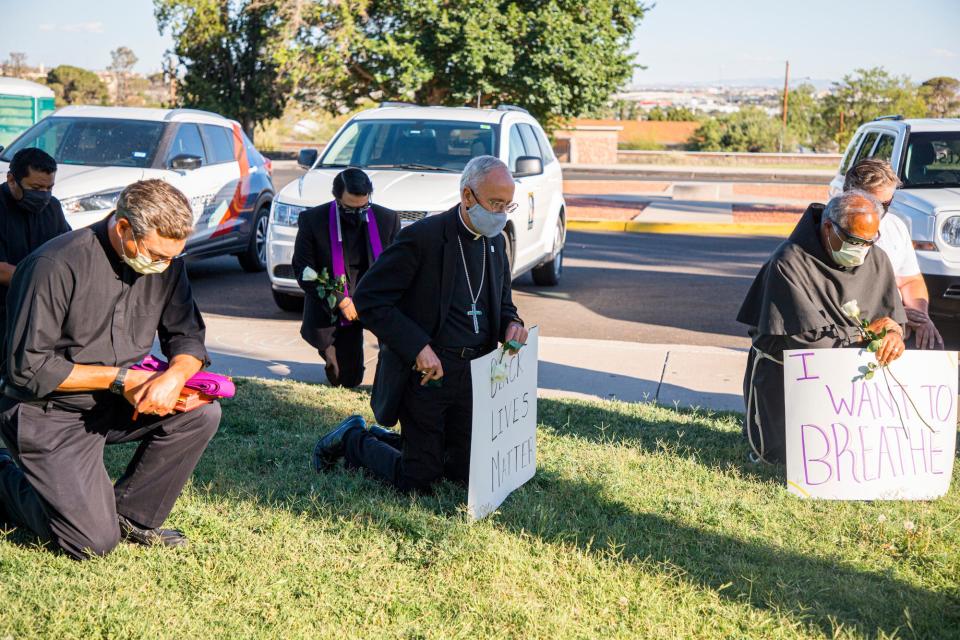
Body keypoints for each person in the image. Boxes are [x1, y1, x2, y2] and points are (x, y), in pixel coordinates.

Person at [0, 179, 221, 560]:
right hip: (47, 412)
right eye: (156, 254)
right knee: (90, 543)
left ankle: (132, 515)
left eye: (173, 256)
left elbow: (188, 338)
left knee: (201, 413)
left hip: (115, 400)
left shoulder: (165, 264)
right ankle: (5, 481)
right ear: (122, 228)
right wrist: (120, 379)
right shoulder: (53, 265)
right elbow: (27, 370)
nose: (163, 266)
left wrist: (174, 377)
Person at [312, 156, 529, 493]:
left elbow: (502, 303)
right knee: (418, 481)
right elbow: (369, 299)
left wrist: (512, 324)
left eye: (506, 205)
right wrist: (417, 347)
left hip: (474, 374)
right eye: (495, 203)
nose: (501, 214)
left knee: (462, 473)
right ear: (468, 196)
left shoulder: (495, 241)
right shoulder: (424, 238)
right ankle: (353, 438)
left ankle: (397, 441)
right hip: (428, 373)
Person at [737, 190, 907, 464]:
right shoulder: (789, 261)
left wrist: (894, 335)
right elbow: (808, 343)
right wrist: (865, 333)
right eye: (854, 241)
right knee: (788, 456)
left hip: (855, 396)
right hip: (792, 385)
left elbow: (892, 320)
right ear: (828, 227)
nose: (862, 250)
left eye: (869, 241)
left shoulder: (877, 258)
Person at [292, 168, 400, 388]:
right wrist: (340, 298)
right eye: (350, 208)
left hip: (372, 295)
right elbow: (303, 268)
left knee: (395, 352)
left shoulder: (387, 219)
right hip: (335, 301)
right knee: (346, 378)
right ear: (337, 198)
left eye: (364, 207)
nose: (358, 214)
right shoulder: (313, 220)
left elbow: (398, 268)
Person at [843, 158, 943, 349]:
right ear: (849, 196)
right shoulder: (833, 231)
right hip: (853, 328)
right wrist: (892, 315)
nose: (882, 211)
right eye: (876, 204)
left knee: (932, 342)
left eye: (888, 202)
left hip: (896, 322)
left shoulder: (895, 226)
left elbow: (910, 280)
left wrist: (919, 316)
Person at [0, 148, 70, 355]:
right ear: (12, 180)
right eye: (36, 187)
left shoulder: (53, 207)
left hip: (41, 311)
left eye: (49, 188)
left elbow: (67, 249)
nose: (43, 195)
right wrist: (48, 283)